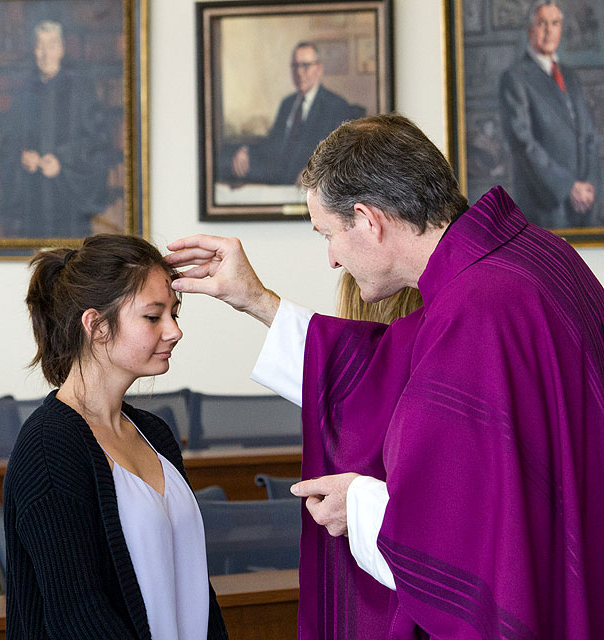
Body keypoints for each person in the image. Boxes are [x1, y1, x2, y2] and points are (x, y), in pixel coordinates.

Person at [166, 114, 604, 637]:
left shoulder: (478, 309)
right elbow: (394, 367)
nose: (330, 259)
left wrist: (362, 507)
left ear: (368, 220)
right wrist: (257, 301)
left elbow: (468, 540)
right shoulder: (525, 258)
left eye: (327, 234)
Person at [4, 234, 228, 639]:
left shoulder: (155, 432)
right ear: (97, 325)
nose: (174, 331)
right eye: (153, 316)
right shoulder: (48, 446)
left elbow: (195, 587)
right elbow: (77, 615)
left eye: (174, 314)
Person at [0, 20, 109, 239]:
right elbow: (7, 144)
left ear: (61, 50)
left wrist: (63, 161)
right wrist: (21, 158)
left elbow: (97, 142)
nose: (45, 53)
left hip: (69, 199)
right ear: (33, 50)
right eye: (40, 46)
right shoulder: (23, 94)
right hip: (32, 198)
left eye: (52, 45)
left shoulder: (80, 91)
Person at [499, 1, 603, 228]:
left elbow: (588, 136)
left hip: (584, 203)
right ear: (530, 30)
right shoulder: (515, 78)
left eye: (555, 23)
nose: (549, 30)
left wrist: (589, 187)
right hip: (546, 206)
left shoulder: (570, 77)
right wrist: (568, 187)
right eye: (542, 23)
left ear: (561, 28)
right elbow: (523, 142)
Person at [229, 42, 363, 186]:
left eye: (305, 66)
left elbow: (342, 156)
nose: (299, 72)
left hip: (312, 189)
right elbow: (273, 144)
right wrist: (246, 151)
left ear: (319, 69)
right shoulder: (287, 104)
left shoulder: (335, 105)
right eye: (295, 66)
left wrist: (315, 172)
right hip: (279, 184)